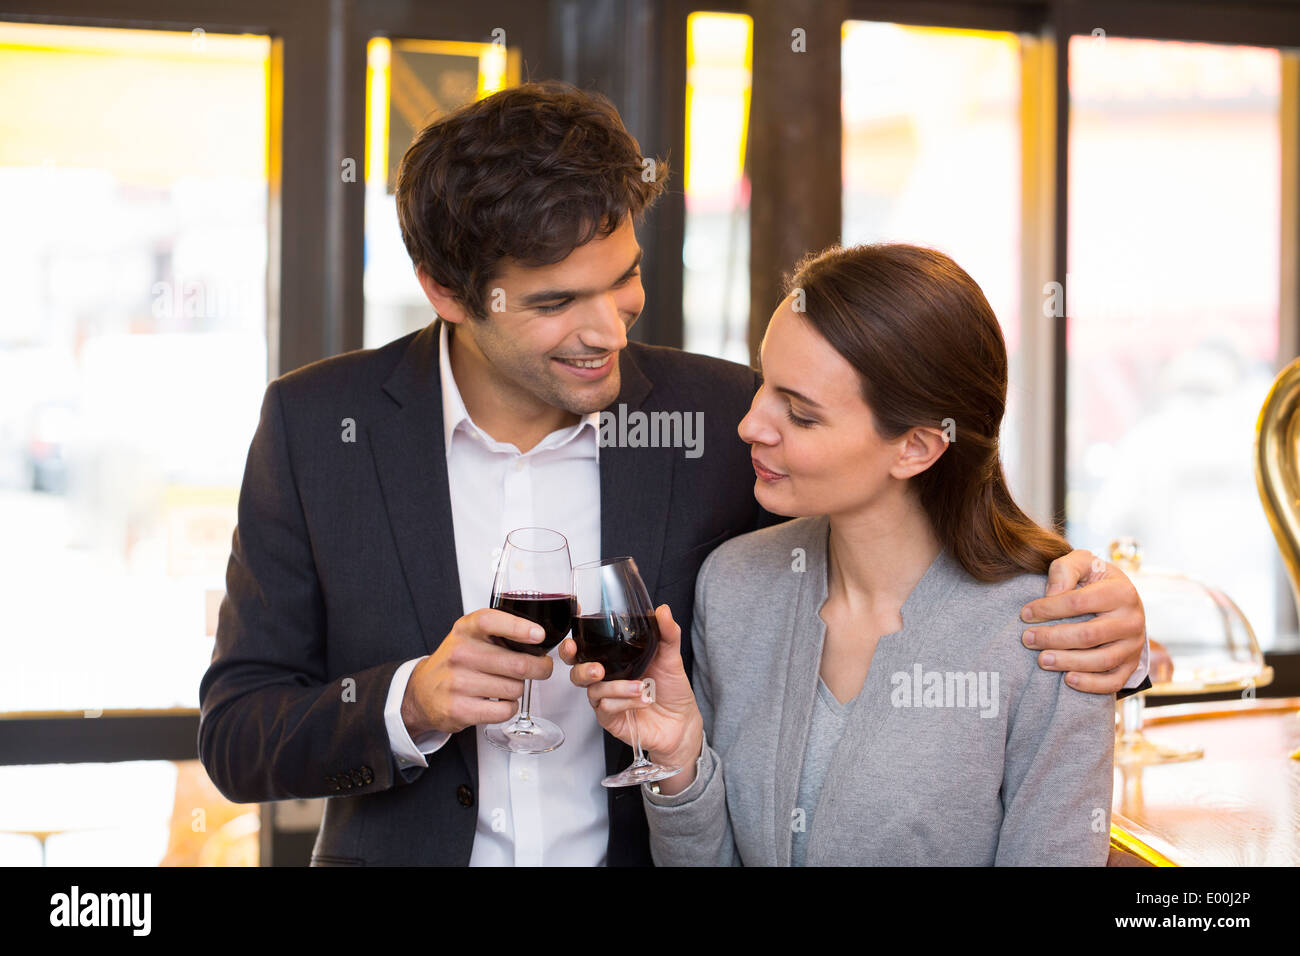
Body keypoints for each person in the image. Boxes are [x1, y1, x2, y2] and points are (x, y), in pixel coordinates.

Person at [198, 81, 1148, 867]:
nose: (610, 327)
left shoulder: (722, 416)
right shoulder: (318, 427)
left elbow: (912, 498)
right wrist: (412, 701)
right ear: (447, 290)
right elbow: (238, 734)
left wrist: (1108, 619)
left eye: (624, 277)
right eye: (558, 301)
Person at [565, 243, 1122, 865]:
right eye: (765, 385)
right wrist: (678, 762)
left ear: (915, 448)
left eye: (800, 415)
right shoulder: (736, 585)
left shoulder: (1048, 632)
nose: (751, 424)